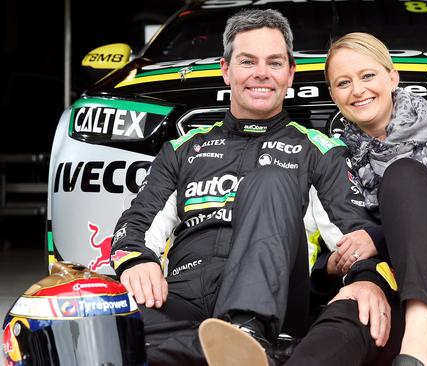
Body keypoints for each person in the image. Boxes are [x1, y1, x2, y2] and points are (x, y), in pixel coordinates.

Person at [110, 12, 390, 365]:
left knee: (269, 176)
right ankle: (248, 356)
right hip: (182, 296)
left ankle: (248, 333)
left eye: (274, 63)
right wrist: (136, 261)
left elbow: (355, 236)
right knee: (103, 331)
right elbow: (135, 223)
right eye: (248, 62)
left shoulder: (319, 150)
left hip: (276, 304)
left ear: (290, 73)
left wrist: (366, 280)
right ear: (226, 70)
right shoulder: (185, 148)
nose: (262, 73)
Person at [291, 32, 427, 366]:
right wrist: (332, 267)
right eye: (343, 82)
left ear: (392, 76)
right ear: (333, 94)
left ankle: (421, 333)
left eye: (368, 75)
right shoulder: (334, 158)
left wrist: (376, 239)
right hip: (388, 302)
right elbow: (331, 244)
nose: (357, 90)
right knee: (347, 312)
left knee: (404, 175)